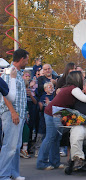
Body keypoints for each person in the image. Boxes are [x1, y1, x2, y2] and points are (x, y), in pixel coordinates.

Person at [37, 71, 86, 170]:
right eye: (81, 76)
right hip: (52, 113)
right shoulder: (73, 89)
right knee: (50, 138)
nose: (83, 77)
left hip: (57, 114)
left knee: (56, 138)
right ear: (77, 78)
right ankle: (41, 162)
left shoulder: (70, 88)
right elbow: (85, 99)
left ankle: (55, 162)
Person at [0, 48, 29, 180]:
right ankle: (4, 175)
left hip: (20, 115)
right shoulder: (9, 72)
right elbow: (5, 94)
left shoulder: (18, 73)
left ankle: (14, 173)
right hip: (12, 114)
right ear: (22, 59)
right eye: (27, 59)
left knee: (16, 147)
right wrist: (12, 112)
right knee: (9, 146)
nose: (27, 62)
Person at [35, 82, 54, 158]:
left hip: (52, 118)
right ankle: (38, 149)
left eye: (52, 86)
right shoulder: (43, 97)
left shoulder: (54, 96)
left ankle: (49, 151)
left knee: (50, 135)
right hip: (43, 119)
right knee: (41, 134)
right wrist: (41, 105)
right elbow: (40, 107)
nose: (51, 88)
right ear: (45, 89)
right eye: (49, 87)